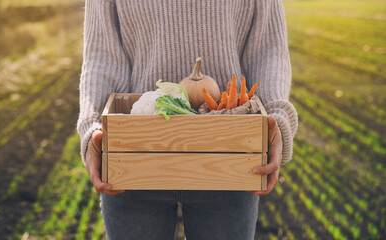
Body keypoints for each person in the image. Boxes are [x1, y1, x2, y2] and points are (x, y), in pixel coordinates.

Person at [77, 0, 298, 239]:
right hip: (134, 159)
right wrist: (94, 126)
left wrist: (276, 114)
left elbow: (268, 48)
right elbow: (101, 54)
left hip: (230, 157)